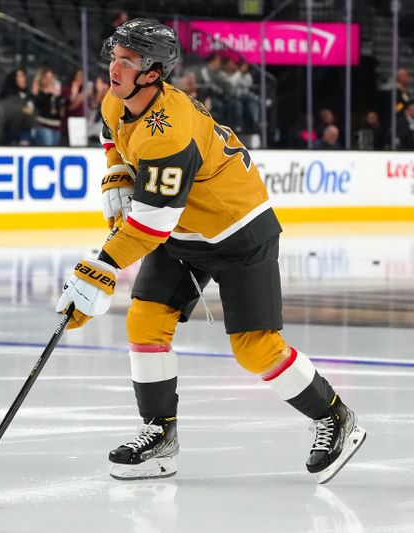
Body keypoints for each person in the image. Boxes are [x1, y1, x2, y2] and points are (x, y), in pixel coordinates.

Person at [55, 19, 366, 483]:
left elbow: (148, 226)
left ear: (153, 73)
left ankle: (334, 417)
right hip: (182, 233)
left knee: (255, 349)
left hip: (238, 231)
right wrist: (118, 173)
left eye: (126, 61)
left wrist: (99, 268)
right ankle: (160, 434)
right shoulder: (115, 100)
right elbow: (111, 139)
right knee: (144, 320)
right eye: (114, 57)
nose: (113, 69)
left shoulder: (170, 134)